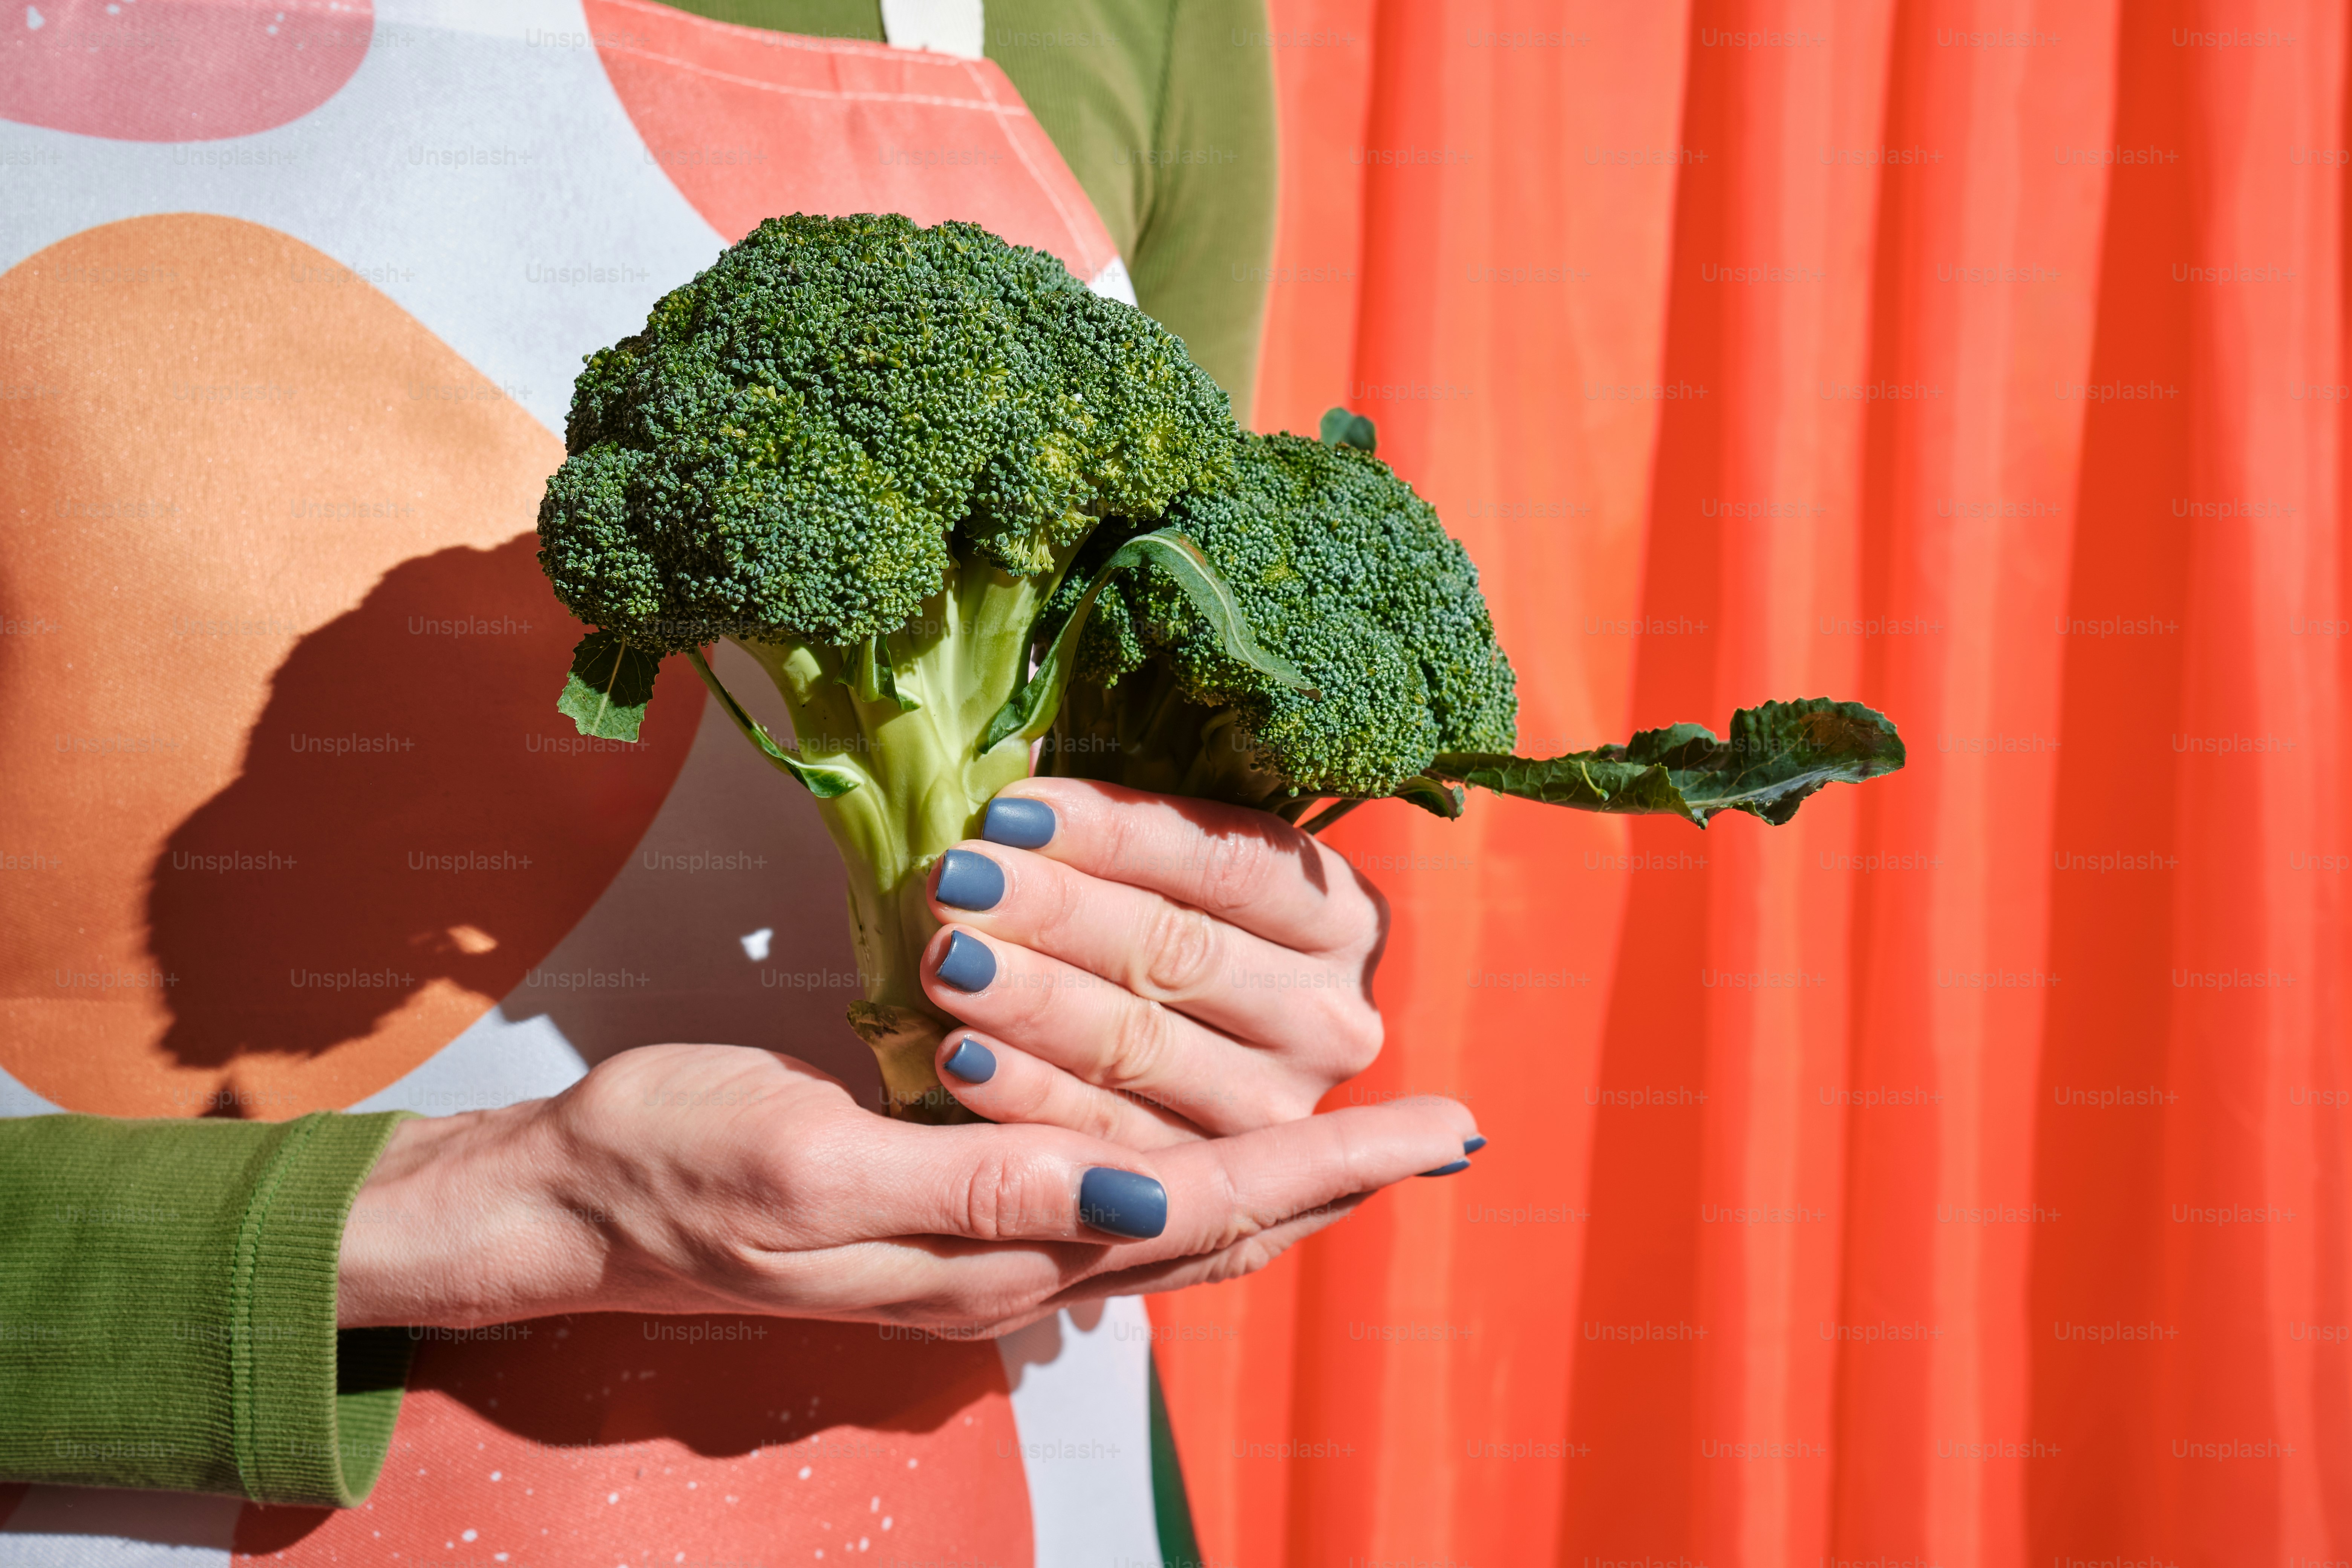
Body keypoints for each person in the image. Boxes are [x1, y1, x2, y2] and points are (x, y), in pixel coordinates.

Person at [0, 0, 1478, 1557]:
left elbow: (1182, 635)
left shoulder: (1131, 19)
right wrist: (486, 1202)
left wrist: (1206, 967)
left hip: (999, 1481)